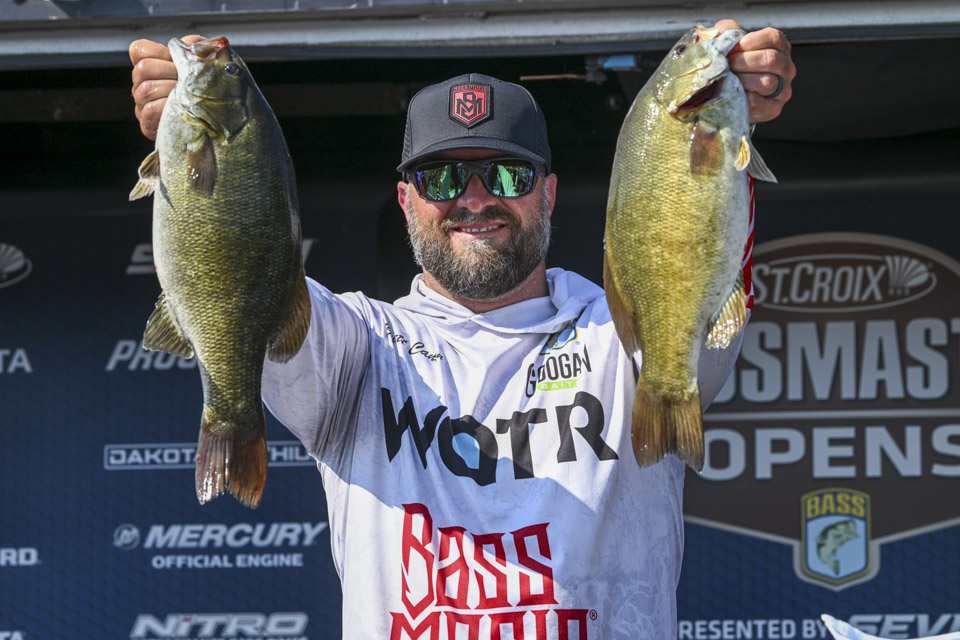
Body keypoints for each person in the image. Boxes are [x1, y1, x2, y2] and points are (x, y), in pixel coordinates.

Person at [130, 22, 795, 639]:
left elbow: (701, 252)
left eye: (508, 174)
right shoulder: (355, 344)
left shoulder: (625, 334)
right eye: (441, 177)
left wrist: (730, 119)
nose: (475, 199)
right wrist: (194, 141)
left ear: (548, 193)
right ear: (406, 201)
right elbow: (250, 274)